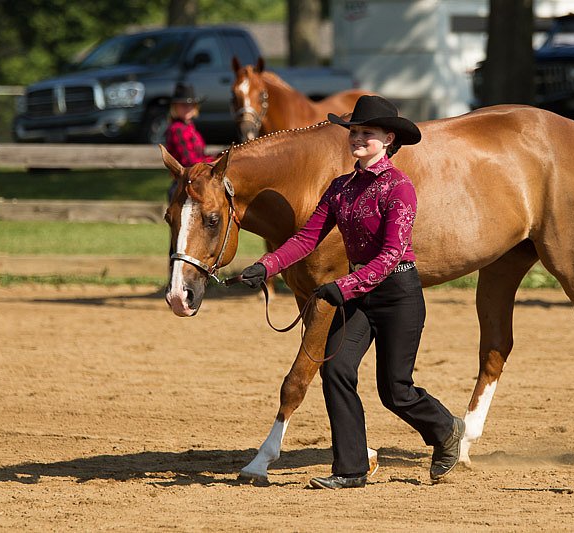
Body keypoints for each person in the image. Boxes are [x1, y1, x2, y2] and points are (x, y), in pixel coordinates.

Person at [238, 95, 465, 489]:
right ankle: (350, 469)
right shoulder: (341, 187)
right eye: (354, 132)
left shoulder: (400, 188)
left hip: (398, 293)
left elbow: (392, 254)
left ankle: (447, 429)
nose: (357, 138)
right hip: (359, 293)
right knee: (337, 370)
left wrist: (339, 287)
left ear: (388, 139)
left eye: (367, 133)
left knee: (395, 391)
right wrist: (266, 265)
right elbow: (307, 237)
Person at [164, 82, 215, 201]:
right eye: (183, 105)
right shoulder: (178, 129)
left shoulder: (189, 127)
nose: (188, 108)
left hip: (193, 182)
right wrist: (214, 162)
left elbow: (199, 156)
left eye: (191, 104)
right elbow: (189, 161)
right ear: (175, 107)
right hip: (184, 186)